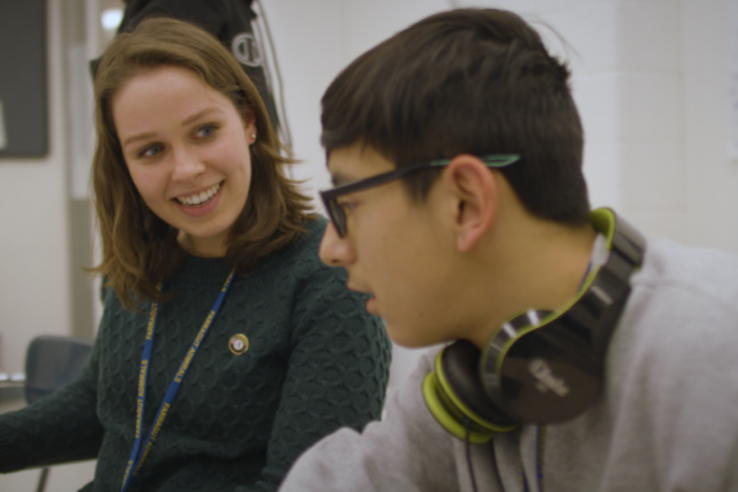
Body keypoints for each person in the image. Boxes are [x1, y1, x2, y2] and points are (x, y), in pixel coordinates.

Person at [278, 8, 738, 492]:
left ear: (465, 203)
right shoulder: (473, 378)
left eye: (348, 203)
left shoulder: (712, 348)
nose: (330, 248)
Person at [0, 17, 391, 492]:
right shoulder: (141, 261)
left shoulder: (326, 276)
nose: (186, 169)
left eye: (205, 131)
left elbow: (309, 486)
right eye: (151, 151)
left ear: (248, 120)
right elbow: (102, 405)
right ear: (124, 165)